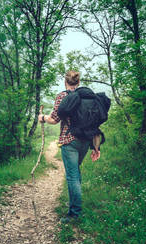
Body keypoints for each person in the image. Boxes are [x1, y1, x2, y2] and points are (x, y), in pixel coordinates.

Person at [39, 70, 100, 223]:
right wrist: (96, 147)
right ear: (78, 82)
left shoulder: (62, 96)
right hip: (85, 141)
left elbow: (54, 119)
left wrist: (42, 118)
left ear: (65, 82)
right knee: (76, 173)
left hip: (69, 140)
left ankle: (74, 214)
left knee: (72, 176)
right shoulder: (87, 96)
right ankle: (75, 204)